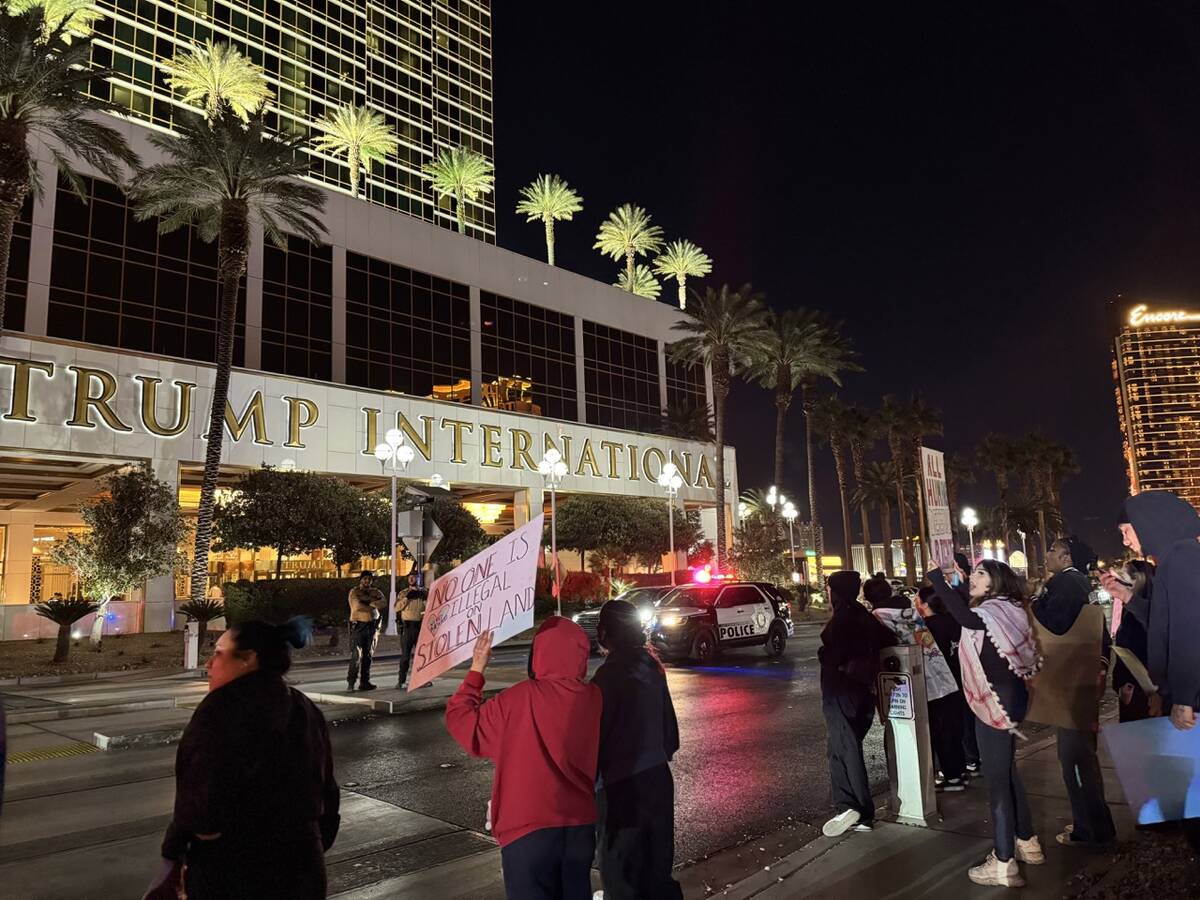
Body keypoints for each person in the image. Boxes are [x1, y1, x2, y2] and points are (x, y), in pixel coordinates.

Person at [142, 618, 340, 900]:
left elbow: (198, 802)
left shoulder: (221, 710)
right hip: (303, 867)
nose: (209, 665)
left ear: (248, 659)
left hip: (235, 872)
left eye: (219, 654)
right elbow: (327, 793)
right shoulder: (304, 708)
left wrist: (179, 851)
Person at [446, 618, 603, 900]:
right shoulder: (593, 698)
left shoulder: (519, 698)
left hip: (528, 830)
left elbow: (463, 722)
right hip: (579, 826)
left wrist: (476, 669)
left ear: (537, 654)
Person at [928, 560, 1042, 888]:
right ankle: (1027, 840)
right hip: (1012, 698)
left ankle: (1004, 862)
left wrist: (937, 577)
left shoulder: (989, 613)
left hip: (995, 703)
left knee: (997, 783)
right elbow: (968, 606)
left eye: (980, 574)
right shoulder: (1010, 608)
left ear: (995, 583)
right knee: (1006, 772)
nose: (972, 579)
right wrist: (960, 576)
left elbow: (964, 615)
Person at [591, 600, 682, 900]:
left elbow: (596, 740)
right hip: (656, 780)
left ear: (605, 632)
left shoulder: (606, 678)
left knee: (623, 880)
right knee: (657, 875)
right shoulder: (652, 667)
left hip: (621, 791)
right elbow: (670, 734)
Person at [1032, 536, 1116, 849]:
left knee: (1075, 759)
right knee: (1082, 756)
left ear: (1067, 556)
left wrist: (1036, 600)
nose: (1047, 555)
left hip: (1071, 683)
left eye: (1052, 550)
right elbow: (1101, 634)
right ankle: (1093, 822)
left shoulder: (1066, 585)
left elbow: (1052, 622)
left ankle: (1090, 830)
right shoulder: (1082, 585)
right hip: (1082, 679)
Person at [819, 570, 898, 837]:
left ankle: (858, 809)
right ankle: (848, 804)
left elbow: (834, 655)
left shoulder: (842, 620)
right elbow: (889, 641)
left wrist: (825, 655)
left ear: (836, 592)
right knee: (840, 748)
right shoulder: (864, 616)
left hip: (841, 693)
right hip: (862, 692)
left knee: (845, 748)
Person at [1119, 492, 1200, 733]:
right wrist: (1126, 597)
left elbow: (1189, 631)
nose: (1125, 541)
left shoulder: (1182, 558)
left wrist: (1183, 697)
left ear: (1147, 523)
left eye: (1126, 531)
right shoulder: (1175, 558)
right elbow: (1163, 622)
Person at [914, 585, 969, 792]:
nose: (916, 602)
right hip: (958, 683)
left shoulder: (926, 628)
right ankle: (960, 772)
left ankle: (952, 777)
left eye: (918, 599)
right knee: (955, 729)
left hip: (939, 687)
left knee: (941, 731)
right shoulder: (953, 622)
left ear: (926, 604)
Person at [1100, 559, 1158, 722]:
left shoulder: (1150, 613)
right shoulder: (1129, 611)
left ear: (1140, 579)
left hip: (1144, 694)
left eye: (1124, 574)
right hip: (1130, 692)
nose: (1118, 578)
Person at [346, 571, 385, 691]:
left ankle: (365, 682)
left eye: (369, 579)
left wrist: (369, 603)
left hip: (372, 627)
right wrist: (373, 605)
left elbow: (383, 602)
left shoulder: (376, 591)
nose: (367, 581)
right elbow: (357, 606)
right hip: (358, 626)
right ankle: (351, 683)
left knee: (368, 656)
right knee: (356, 656)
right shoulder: (354, 592)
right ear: (361, 580)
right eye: (365, 579)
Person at [395, 572, 427, 689]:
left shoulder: (424, 593)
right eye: (410, 577)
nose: (411, 579)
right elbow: (397, 608)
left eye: (414, 577)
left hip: (419, 627)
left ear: (419, 579)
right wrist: (407, 598)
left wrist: (424, 599)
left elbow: (430, 608)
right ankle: (401, 681)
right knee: (405, 656)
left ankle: (422, 680)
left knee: (421, 656)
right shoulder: (403, 593)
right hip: (407, 628)